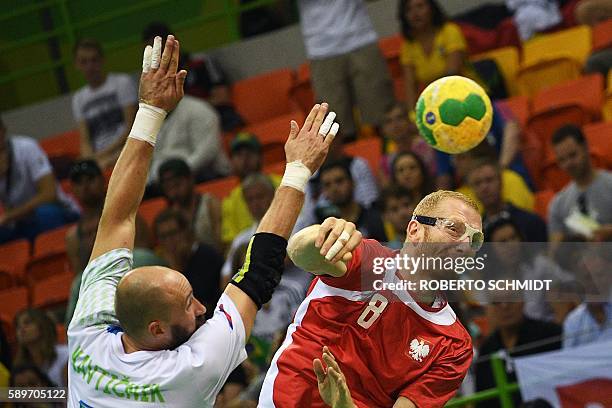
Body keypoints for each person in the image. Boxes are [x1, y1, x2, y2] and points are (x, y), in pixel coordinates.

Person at [67, 33, 339, 406]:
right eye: (189, 304)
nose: (201, 308)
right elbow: (257, 275)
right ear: (156, 328)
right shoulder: (187, 371)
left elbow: (115, 219)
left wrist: (149, 111)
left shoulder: (89, 332)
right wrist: (297, 170)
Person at [259, 190, 483, 407]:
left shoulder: (455, 346)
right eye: (454, 228)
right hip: (286, 400)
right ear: (415, 231)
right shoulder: (369, 261)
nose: (466, 246)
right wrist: (325, 235)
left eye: (475, 240)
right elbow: (300, 252)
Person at [297, 0, 394, 140]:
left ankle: (389, 159)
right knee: (336, 127)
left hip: (360, 38)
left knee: (382, 114)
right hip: (321, 47)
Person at [142, 22, 244, 131]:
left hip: (214, 115)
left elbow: (222, 97)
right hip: (182, 125)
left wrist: (194, 110)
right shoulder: (157, 78)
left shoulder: (200, 62)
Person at [0, 118, 80, 244]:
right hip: (20, 223)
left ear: (3, 131)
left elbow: (49, 194)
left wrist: (11, 215)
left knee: (46, 213)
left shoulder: (26, 148)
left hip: (58, 212)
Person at [475, 299, 562, 407]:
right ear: (488, 309)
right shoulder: (486, 350)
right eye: (496, 302)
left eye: (511, 300)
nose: (505, 306)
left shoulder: (551, 335)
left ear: (523, 300)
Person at [399, 0, 479, 113]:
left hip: (467, 97)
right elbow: (410, 87)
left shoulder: (449, 31)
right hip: (436, 105)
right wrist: (412, 114)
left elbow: (452, 75)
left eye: (420, 6)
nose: (415, 13)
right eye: (408, 9)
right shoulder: (408, 46)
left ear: (432, 8)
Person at [72, 38, 138, 169]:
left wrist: (102, 157)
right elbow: (85, 140)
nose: (90, 66)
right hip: (99, 157)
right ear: (77, 65)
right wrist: (89, 160)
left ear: (102, 60)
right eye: (84, 62)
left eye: (94, 60)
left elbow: (131, 128)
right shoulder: (78, 98)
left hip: (126, 147)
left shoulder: (122, 83)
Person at [154, 208, 224, 318]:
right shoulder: (162, 265)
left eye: (172, 233)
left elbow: (202, 304)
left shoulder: (207, 255)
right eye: (163, 237)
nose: (169, 241)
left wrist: (178, 267)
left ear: (186, 231)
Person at [549, 125, 612, 243]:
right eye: (562, 160)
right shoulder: (558, 205)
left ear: (586, 148)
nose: (568, 164)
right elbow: (555, 253)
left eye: (573, 155)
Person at [467, 159, 547, 242]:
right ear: (472, 190)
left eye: (489, 180)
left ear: (501, 182)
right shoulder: (475, 237)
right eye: (477, 183)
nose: (484, 188)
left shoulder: (531, 222)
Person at [221, 173, 275, 286]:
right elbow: (225, 278)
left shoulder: (296, 224)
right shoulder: (241, 239)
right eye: (250, 199)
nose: (255, 203)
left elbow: (287, 259)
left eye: (260, 197)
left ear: (273, 196)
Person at [158, 158, 221, 251]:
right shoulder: (168, 216)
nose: (174, 190)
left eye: (177, 183)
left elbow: (222, 241)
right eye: (168, 185)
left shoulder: (209, 204)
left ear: (190, 179)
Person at [316, 160, 387, 242]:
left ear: (352, 182)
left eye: (339, 181)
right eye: (327, 185)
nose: (334, 189)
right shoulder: (324, 225)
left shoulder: (375, 218)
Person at [379, 103, 437, 182]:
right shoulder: (386, 162)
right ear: (383, 130)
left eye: (399, 118)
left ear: (409, 122)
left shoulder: (429, 148)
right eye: (388, 121)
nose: (395, 125)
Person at [14, 309, 68, 387]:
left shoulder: (65, 355)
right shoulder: (19, 364)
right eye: (18, 326)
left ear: (42, 325)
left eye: (27, 323)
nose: (21, 329)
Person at [380, 184, 417, 249]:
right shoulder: (387, 253)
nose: (402, 213)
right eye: (394, 209)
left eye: (406, 205)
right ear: (385, 216)